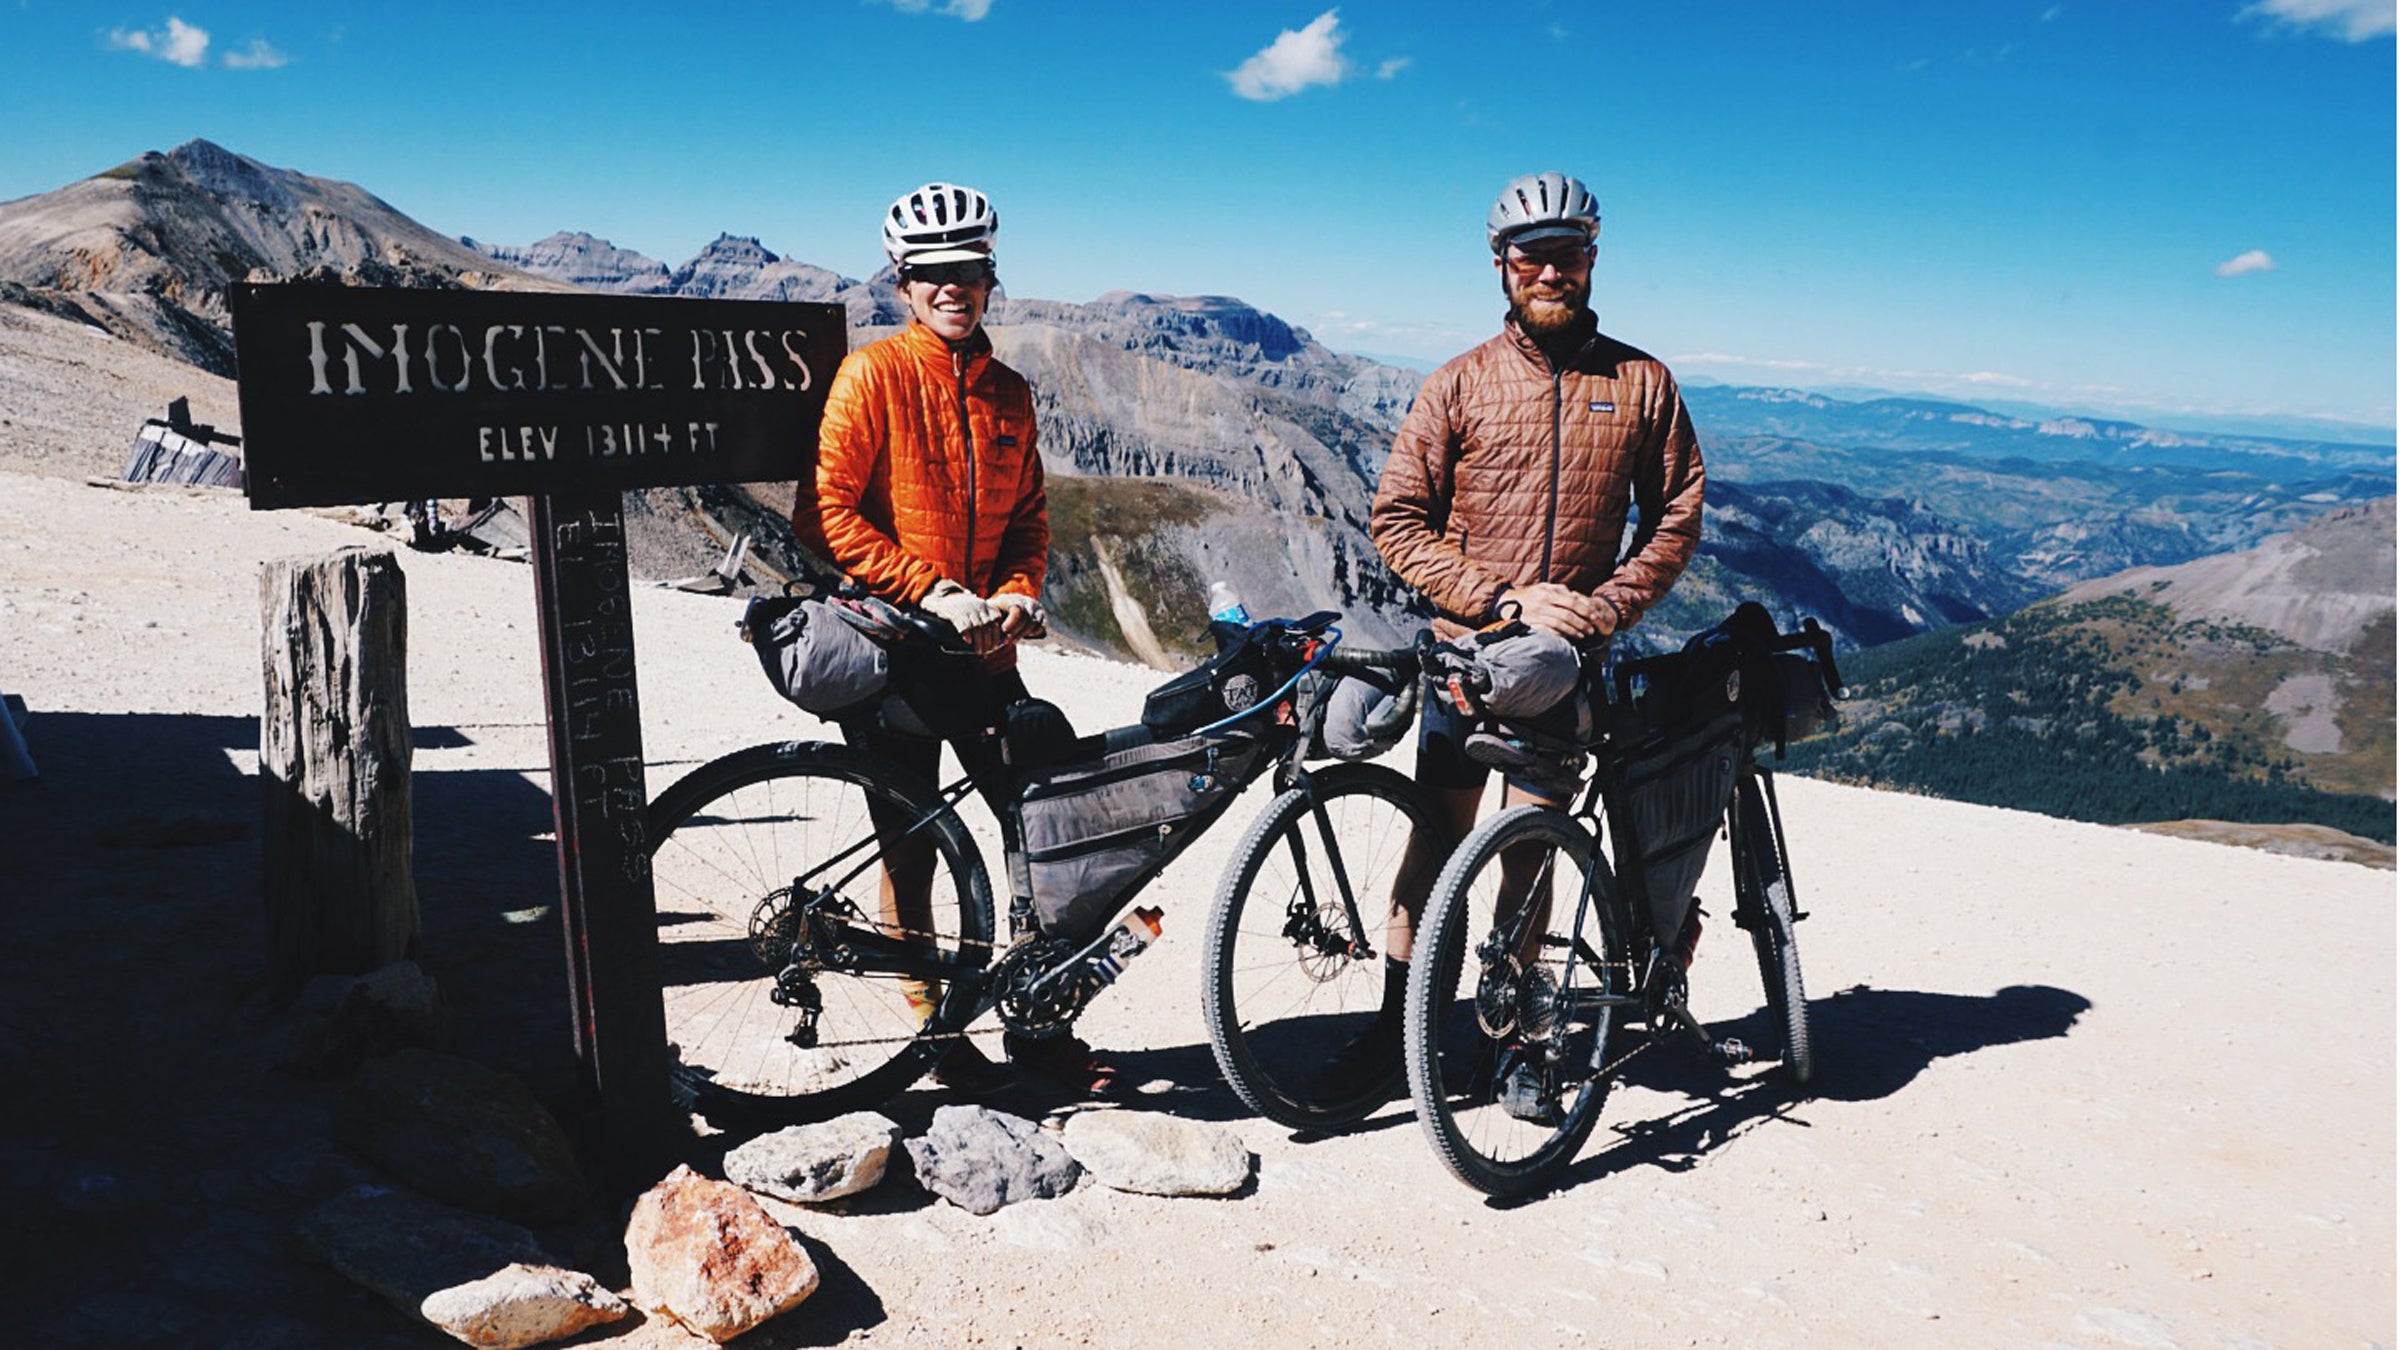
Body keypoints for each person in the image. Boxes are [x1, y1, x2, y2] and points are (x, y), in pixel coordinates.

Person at [1338, 170, 1707, 1103]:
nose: (1550, 270)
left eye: (1567, 253)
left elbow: (1675, 517)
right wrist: (1505, 602)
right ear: (1501, 266)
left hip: (1568, 660)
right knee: (1435, 842)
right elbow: (1398, 520)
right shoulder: (1459, 381)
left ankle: (1512, 1039)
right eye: (1530, 255)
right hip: (1469, 651)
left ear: (1592, 259)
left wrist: (1605, 608)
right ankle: (1401, 1029)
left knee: (1528, 845)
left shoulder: (1642, 382)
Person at [792, 181, 1113, 1097]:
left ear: (989, 278)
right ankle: (929, 1029)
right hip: (896, 647)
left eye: (967, 271)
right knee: (912, 842)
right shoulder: (874, 375)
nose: (951, 288)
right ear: (903, 282)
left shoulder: (1010, 394)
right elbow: (824, 516)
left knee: (1042, 825)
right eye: (931, 274)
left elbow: (1030, 522)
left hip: (985, 653)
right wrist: (927, 587)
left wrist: (1014, 593)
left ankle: (1039, 1019)